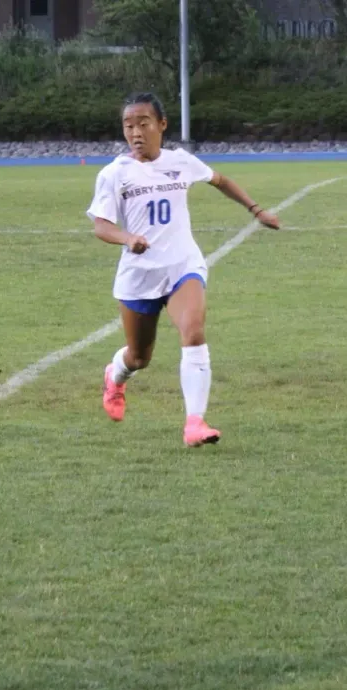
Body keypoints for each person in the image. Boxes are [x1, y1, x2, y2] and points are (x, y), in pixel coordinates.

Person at [87, 93, 281, 448]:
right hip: (139, 276)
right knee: (139, 356)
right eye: (128, 126)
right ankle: (115, 376)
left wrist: (256, 210)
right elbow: (101, 225)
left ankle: (195, 423)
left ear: (162, 125)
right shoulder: (114, 174)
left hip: (182, 266)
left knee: (193, 331)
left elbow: (220, 180)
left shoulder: (181, 162)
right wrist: (126, 238)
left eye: (143, 123)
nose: (136, 132)